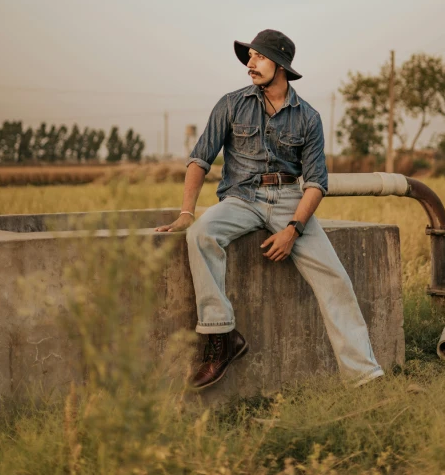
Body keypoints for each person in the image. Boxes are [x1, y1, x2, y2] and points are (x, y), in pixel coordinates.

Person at [155, 29, 383, 390]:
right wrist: (187, 212)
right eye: (249, 57)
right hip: (241, 197)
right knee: (201, 233)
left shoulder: (308, 117)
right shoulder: (231, 104)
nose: (250, 63)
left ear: (280, 66)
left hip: (291, 200)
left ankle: (365, 377)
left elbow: (316, 183)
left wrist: (293, 229)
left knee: (335, 280)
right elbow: (200, 158)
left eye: (258, 57)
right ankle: (221, 337)